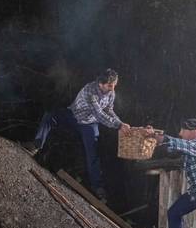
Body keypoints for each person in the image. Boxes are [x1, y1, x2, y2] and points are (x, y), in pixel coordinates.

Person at [33, 69, 130, 200]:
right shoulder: (90, 91)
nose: (113, 88)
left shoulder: (111, 93)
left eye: (114, 85)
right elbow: (100, 115)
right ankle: (36, 145)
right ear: (101, 83)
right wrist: (118, 126)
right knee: (49, 116)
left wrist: (121, 123)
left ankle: (97, 187)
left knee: (93, 153)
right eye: (110, 86)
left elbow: (108, 110)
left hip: (89, 124)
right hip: (74, 116)